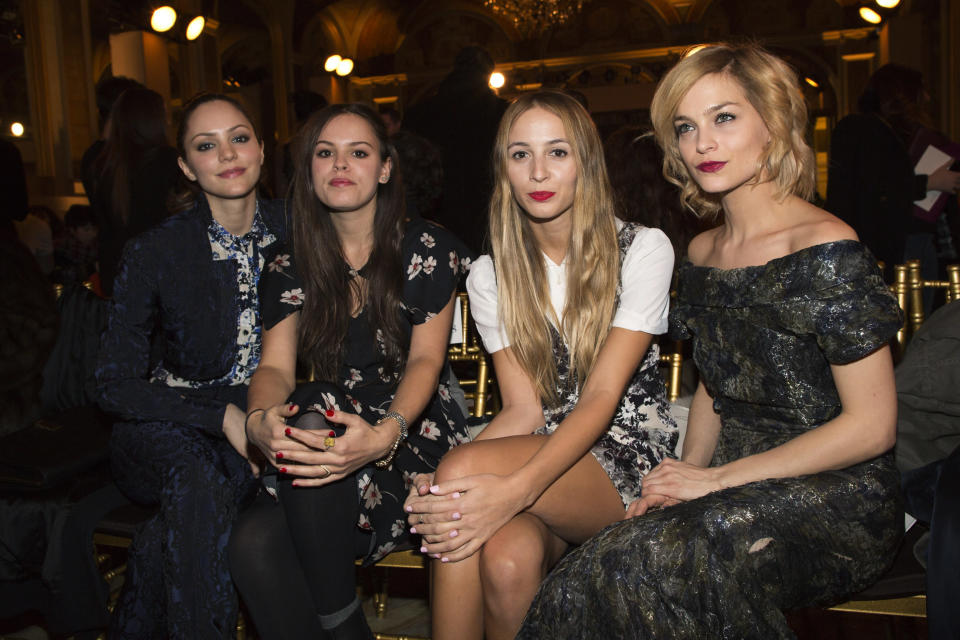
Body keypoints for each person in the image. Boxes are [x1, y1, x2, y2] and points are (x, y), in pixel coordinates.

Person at [517, 44, 904, 639]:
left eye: (724, 118)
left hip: (835, 495)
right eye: (686, 127)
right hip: (728, 482)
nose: (702, 144)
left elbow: (872, 427)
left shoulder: (828, 246)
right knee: (591, 566)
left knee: (658, 564)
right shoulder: (701, 251)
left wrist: (718, 481)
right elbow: (715, 389)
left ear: (772, 124)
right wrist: (683, 474)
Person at [403, 90, 678, 640]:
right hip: (543, 452)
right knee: (506, 561)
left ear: (586, 163)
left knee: (460, 473)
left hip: (627, 456)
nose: (538, 171)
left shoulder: (644, 249)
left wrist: (506, 486)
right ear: (503, 169)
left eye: (558, 151)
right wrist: (440, 484)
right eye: (520, 154)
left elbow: (601, 399)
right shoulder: (490, 274)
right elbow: (525, 408)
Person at [228, 103, 471, 640]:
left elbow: (427, 360)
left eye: (358, 152)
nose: (340, 164)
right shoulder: (289, 263)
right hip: (326, 439)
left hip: (412, 431)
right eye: (325, 153)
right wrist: (260, 420)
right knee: (251, 542)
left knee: (316, 405)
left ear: (385, 168)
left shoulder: (425, 247)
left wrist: (385, 434)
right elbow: (274, 367)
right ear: (309, 173)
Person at [95, 92, 287, 638]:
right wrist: (221, 418)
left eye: (239, 138)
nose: (227, 154)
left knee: (175, 525)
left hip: (258, 418)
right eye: (207, 145)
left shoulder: (297, 230)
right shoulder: (156, 250)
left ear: (261, 149)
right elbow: (113, 384)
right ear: (187, 166)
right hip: (163, 425)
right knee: (198, 478)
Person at [826, 64, 960, 282]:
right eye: (920, 91)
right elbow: (870, 189)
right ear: (902, 95)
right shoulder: (861, 129)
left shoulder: (902, 134)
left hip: (914, 241)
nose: (926, 98)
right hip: (886, 248)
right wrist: (928, 183)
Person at [88, 86, 180, 295]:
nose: (167, 121)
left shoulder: (101, 164)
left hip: (117, 272)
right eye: (163, 114)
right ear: (151, 120)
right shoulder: (167, 162)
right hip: (159, 273)